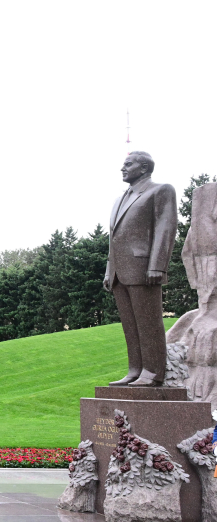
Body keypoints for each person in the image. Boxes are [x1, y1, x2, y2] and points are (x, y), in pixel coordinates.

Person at [104, 151, 177, 387]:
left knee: (149, 323)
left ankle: (153, 373)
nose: (122, 169)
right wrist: (109, 270)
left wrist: (158, 266)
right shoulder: (120, 199)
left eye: (128, 164)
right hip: (119, 272)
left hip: (144, 268)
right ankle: (135, 370)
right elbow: (114, 239)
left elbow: (165, 228)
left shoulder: (161, 190)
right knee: (130, 325)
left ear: (144, 168)